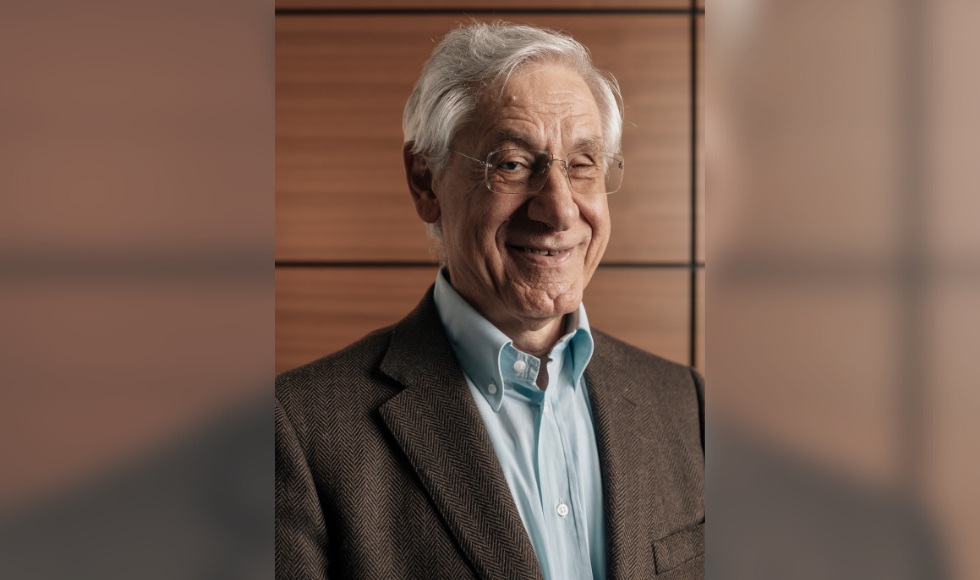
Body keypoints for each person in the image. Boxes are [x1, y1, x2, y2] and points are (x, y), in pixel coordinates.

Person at [275, 21, 704, 580]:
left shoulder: (687, 405)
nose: (560, 211)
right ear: (425, 181)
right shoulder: (299, 433)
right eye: (512, 164)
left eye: (582, 163)